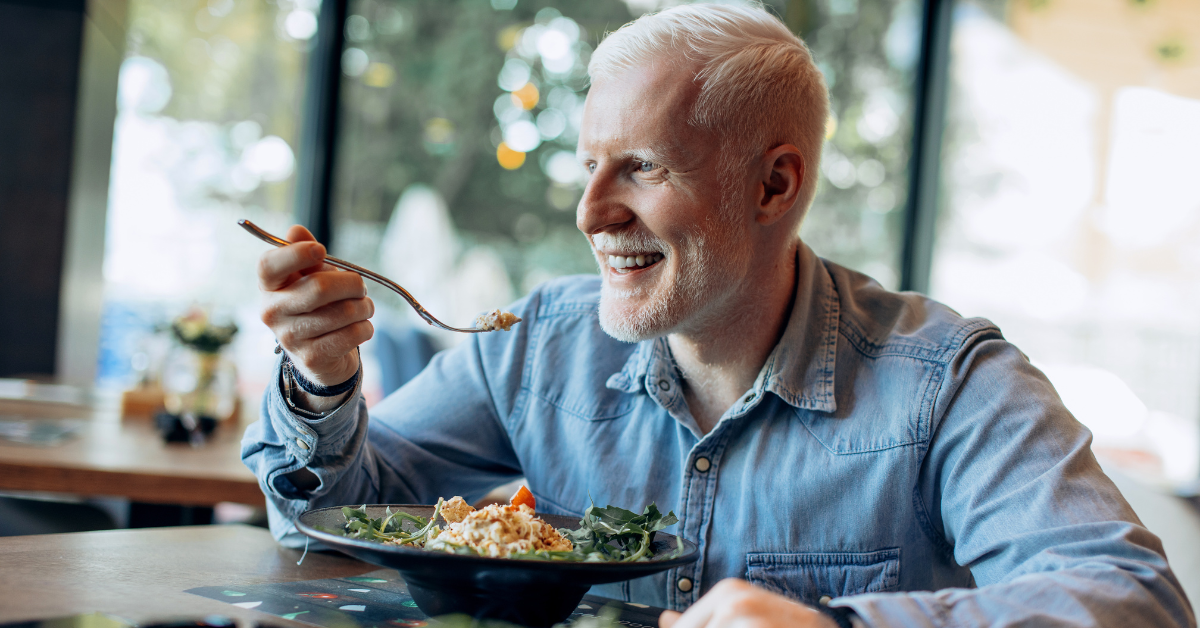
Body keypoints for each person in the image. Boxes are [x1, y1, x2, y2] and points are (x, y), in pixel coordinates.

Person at [243, 4, 1194, 627]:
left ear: (776, 184)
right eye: (589, 167)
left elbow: (1133, 602)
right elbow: (324, 518)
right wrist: (322, 384)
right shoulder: (536, 345)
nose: (591, 214)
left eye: (643, 167)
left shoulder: (949, 384)